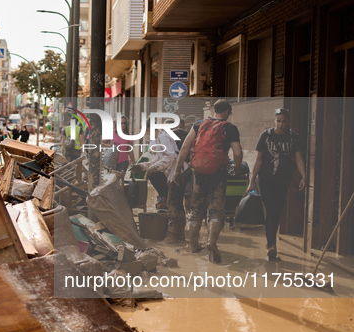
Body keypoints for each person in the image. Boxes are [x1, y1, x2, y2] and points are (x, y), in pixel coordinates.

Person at [174, 99, 243, 263]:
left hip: (198, 173)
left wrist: (177, 169)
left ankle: (193, 246)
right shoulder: (230, 128)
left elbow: (185, 147)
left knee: (196, 210)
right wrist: (237, 169)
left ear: (214, 110)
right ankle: (211, 243)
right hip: (218, 174)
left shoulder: (198, 124)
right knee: (216, 211)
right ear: (227, 112)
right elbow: (238, 153)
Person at [246, 108, 306, 261]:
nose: (280, 124)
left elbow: (299, 158)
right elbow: (259, 159)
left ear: (288, 122)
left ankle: (271, 242)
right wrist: (252, 181)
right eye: (278, 121)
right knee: (270, 209)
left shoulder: (293, 137)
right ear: (274, 120)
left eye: (284, 121)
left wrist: (304, 177)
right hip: (265, 179)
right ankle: (271, 244)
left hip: (283, 180)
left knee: (276, 211)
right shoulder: (266, 135)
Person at [131, 119, 191, 243]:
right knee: (178, 205)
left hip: (178, 174)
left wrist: (153, 169)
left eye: (146, 132)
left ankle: (172, 236)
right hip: (175, 173)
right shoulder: (159, 139)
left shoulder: (163, 137)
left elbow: (171, 157)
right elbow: (157, 159)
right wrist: (142, 166)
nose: (146, 136)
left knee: (173, 204)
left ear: (149, 130)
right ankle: (180, 237)